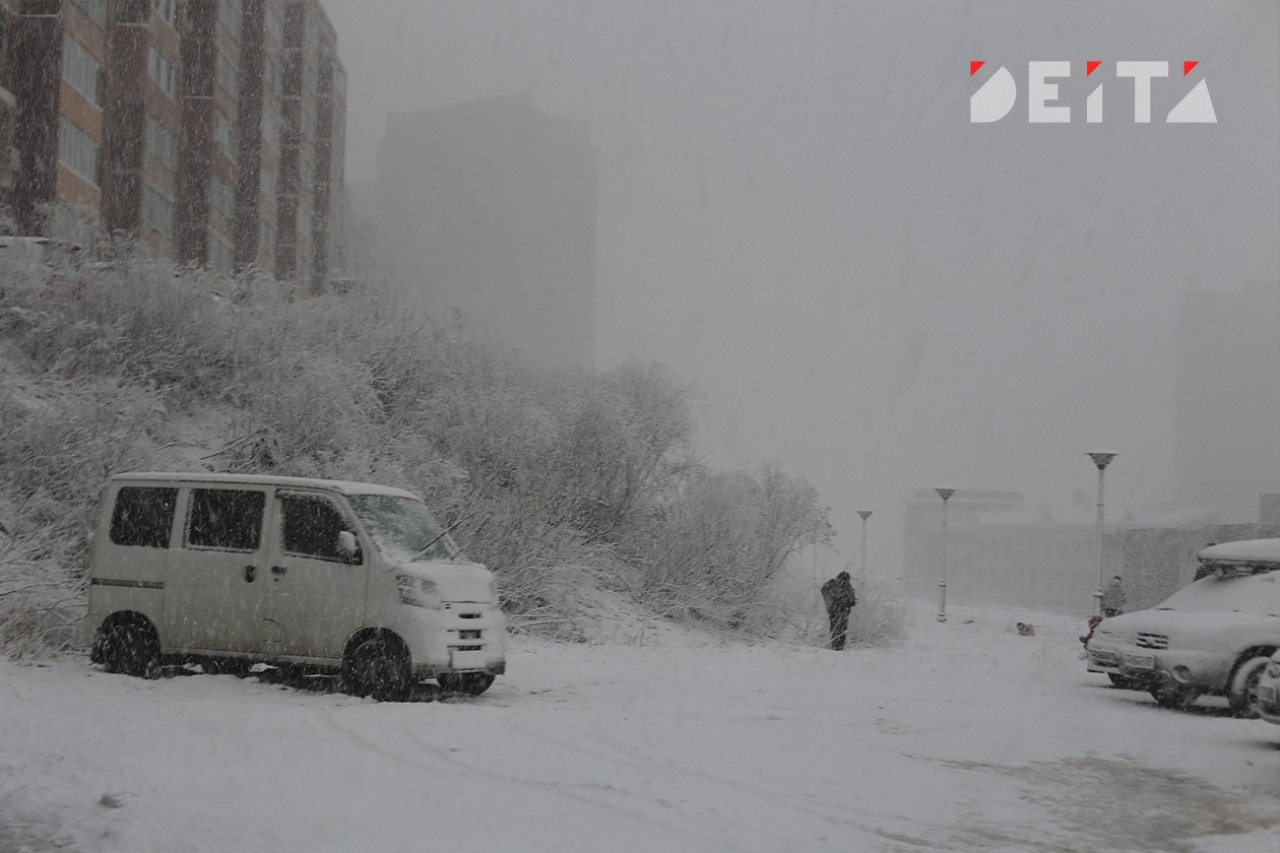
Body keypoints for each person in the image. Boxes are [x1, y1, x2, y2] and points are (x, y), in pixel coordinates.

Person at [820, 570, 857, 650]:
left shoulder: (830, 583)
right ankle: (839, 646)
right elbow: (853, 601)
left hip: (832, 610)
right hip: (843, 611)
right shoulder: (847, 586)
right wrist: (844, 601)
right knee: (841, 628)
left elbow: (823, 590)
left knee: (834, 627)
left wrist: (830, 600)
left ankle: (834, 644)